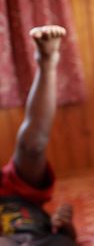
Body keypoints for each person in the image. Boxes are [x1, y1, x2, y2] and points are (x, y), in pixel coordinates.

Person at [0, 25, 77, 245]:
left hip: (45, 240)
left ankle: (47, 62)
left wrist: (63, 225)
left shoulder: (9, 185)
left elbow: (66, 237)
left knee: (33, 146)